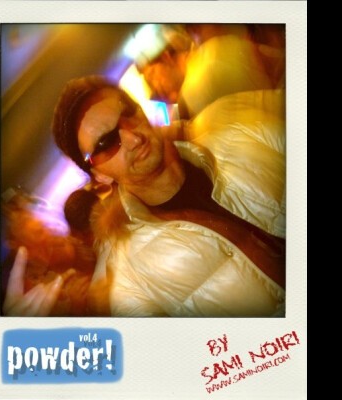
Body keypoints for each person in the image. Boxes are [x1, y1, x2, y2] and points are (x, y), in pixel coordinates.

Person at [48, 75, 286, 317]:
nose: (133, 138)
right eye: (106, 143)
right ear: (99, 175)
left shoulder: (236, 128)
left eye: (128, 113)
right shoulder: (133, 285)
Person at [138, 23, 285, 119]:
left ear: (166, 58)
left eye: (152, 75)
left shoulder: (196, 86)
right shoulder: (210, 51)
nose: (155, 86)